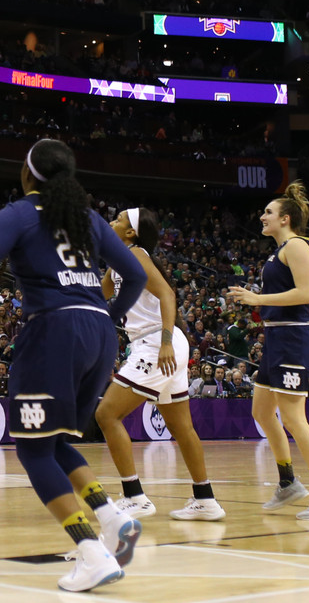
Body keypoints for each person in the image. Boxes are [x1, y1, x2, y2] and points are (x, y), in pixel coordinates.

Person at [0, 139, 147, 592]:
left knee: (32, 449)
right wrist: (110, 316)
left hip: (55, 331)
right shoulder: (88, 219)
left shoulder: (19, 212)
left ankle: (91, 552)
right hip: (99, 334)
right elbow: (134, 276)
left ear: (28, 173)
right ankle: (113, 519)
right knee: (53, 443)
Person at [227, 181, 309, 520]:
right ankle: (288, 482)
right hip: (278, 337)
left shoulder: (296, 246)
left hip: (292, 339)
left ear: (285, 219)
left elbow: (307, 292)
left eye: (268, 212)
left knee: (294, 417)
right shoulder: (279, 251)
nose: (262, 216)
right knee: (262, 412)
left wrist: (258, 299)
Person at [95, 208, 225, 522]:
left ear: (131, 233)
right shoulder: (119, 261)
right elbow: (98, 296)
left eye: (119, 220)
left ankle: (134, 496)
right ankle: (205, 499)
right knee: (181, 427)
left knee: (106, 414)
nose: (111, 221)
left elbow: (168, 294)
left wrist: (166, 341)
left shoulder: (136, 254)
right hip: (157, 343)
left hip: (158, 342)